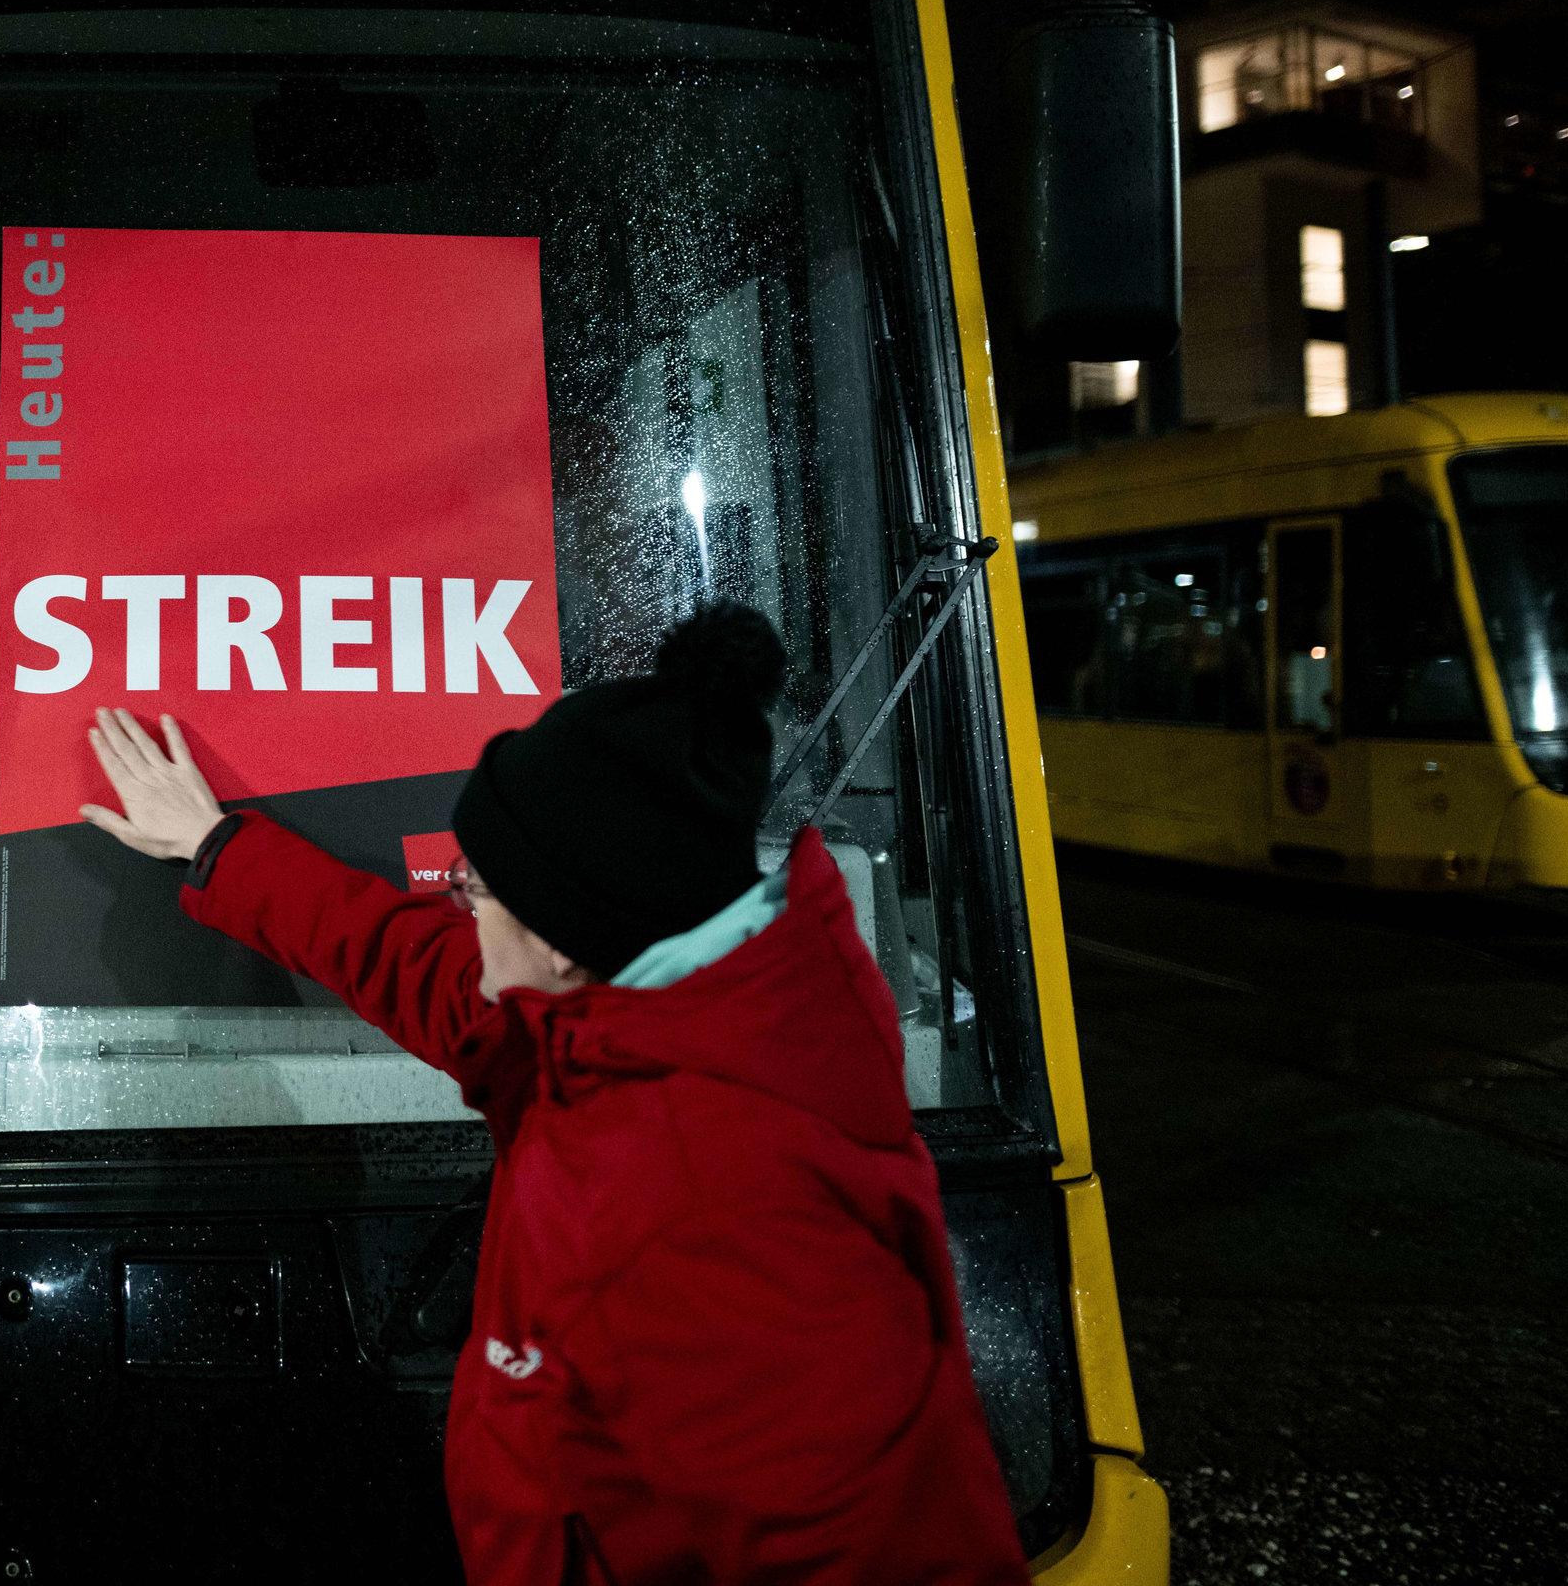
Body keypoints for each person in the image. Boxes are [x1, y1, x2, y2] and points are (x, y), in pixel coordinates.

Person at [80, 602, 1028, 1586]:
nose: (458, 909)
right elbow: (428, 968)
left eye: (478, 889)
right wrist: (219, 845)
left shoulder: (724, 1211)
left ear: (567, 937)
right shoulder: (641, 1014)